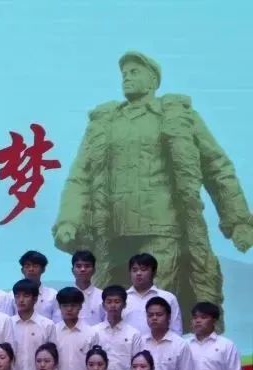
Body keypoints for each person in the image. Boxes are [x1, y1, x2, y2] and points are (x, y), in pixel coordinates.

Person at [52, 50, 253, 320]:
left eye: (135, 72)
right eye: (124, 73)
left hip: (162, 228)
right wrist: (68, 220)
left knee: (155, 305)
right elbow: (80, 176)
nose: (126, 77)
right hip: (113, 233)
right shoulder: (105, 123)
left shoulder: (176, 117)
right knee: (109, 310)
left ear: (153, 80)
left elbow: (216, 167)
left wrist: (238, 221)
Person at [91, 285, 144, 370]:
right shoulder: (93, 332)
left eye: (117, 301)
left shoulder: (133, 334)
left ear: (124, 305)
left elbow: (138, 365)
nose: (113, 305)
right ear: (103, 305)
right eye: (109, 302)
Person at [125, 253, 182, 334]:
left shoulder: (167, 298)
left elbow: (176, 330)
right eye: (134, 270)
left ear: (154, 273)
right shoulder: (122, 299)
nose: (138, 273)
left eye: (143, 269)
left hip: (160, 342)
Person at [10, 279, 56, 370]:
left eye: (26, 296)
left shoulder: (47, 325)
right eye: (17, 296)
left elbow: (53, 356)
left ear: (35, 299)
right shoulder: (8, 324)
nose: (21, 300)